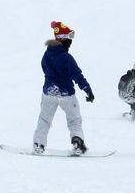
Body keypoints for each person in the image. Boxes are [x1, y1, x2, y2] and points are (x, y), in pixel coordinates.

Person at [32, 21, 94, 156]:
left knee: (44, 119)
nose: (71, 42)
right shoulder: (67, 58)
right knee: (74, 119)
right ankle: (78, 144)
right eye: (69, 39)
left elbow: (44, 68)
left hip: (48, 91)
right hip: (66, 93)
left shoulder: (46, 54)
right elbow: (77, 75)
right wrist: (87, 90)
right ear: (63, 39)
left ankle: (38, 144)